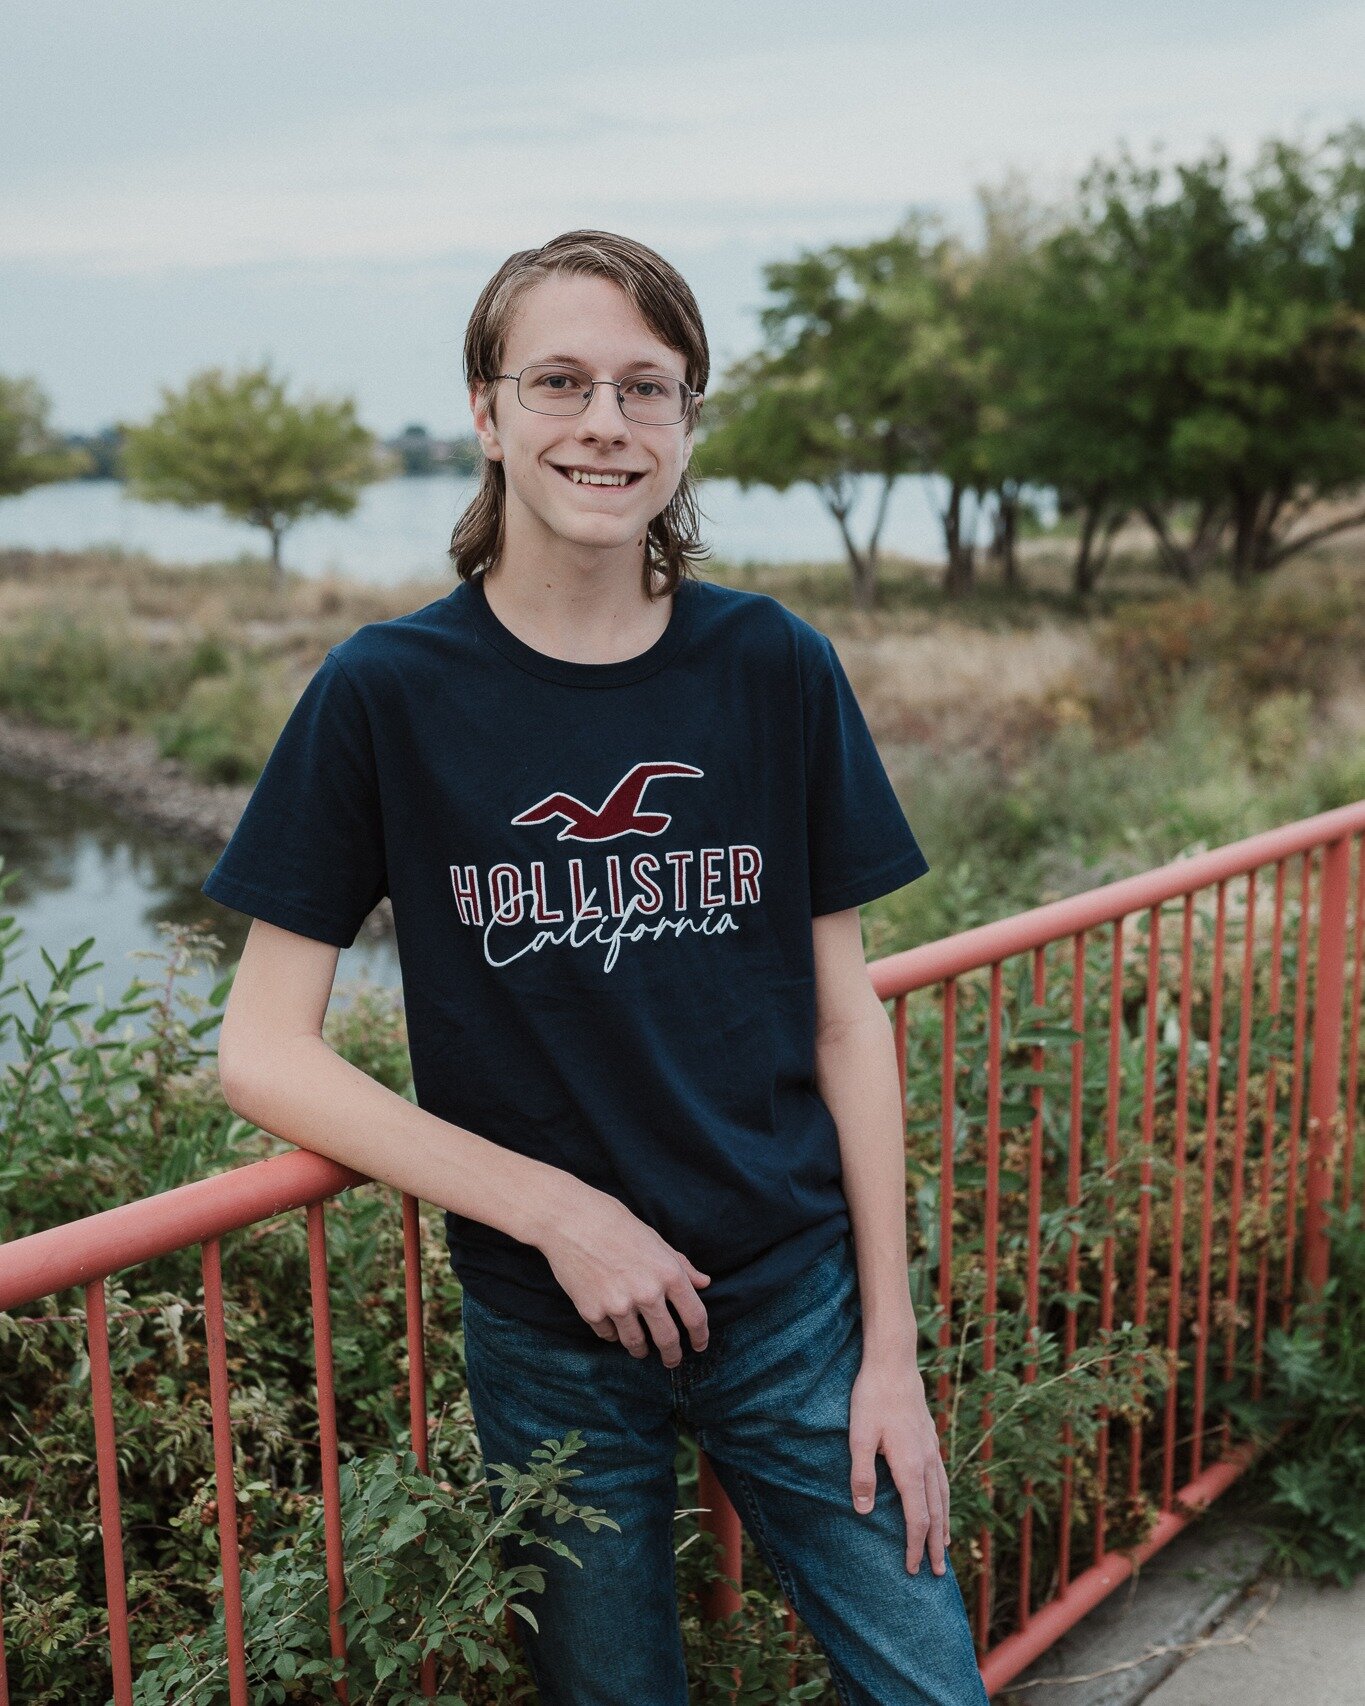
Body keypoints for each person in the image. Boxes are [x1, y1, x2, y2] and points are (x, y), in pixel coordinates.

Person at [204, 228, 990, 1705]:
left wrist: (891, 1352)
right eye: (559, 380)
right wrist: (554, 1208)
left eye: (648, 387)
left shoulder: (772, 665)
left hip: (794, 1309)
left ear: (689, 425)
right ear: (488, 416)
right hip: (547, 1341)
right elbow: (262, 1046)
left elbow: (841, 1018)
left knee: (931, 1681)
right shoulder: (385, 692)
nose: (605, 422)